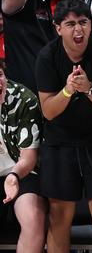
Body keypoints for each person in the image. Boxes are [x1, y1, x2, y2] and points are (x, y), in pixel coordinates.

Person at [35, 0, 92, 253]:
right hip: (60, 141)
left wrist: (89, 89)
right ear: (58, 27)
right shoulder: (47, 57)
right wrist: (68, 91)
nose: (79, 29)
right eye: (71, 24)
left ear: (91, 25)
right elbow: (48, 111)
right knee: (59, 217)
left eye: (83, 22)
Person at [0, 61, 45, 253]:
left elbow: (29, 158)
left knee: (33, 218)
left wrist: (14, 176)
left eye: (0, 74)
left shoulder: (24, 99)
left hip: (22, 172)